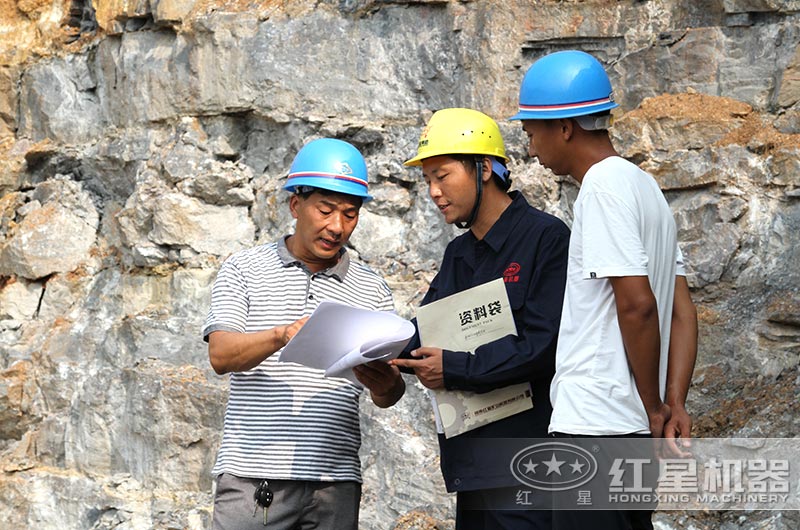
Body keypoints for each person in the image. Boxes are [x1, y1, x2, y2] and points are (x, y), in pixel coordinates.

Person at [510, 50, 699, 529]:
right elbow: (681, 312)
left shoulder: (601, 188)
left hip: (596, 425)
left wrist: (654, 407)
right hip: (629, 433)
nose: (531, 149)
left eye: (531, 133)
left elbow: (638, 306)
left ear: (565, 128)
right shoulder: (645, 187)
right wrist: (674, 401)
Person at [202, 138, 406, 530]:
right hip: (253, 478)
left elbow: (389, 395)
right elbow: (221, 356)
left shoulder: (372, 289)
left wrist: (385, 384)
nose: (337, 227)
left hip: (335, 482)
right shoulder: (244, 269)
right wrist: (280, 336)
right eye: (325, 210)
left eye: (350, 214)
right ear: (296, 205)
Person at [392, 108, 570, 530]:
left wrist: (454, 367)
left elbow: (543, 345)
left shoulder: (546, 238)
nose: (434, 192)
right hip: (474, 465)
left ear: (484, 168)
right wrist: (375, 350)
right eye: (427, 180)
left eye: (442, 176)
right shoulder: (459, 253)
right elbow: (425, 332)